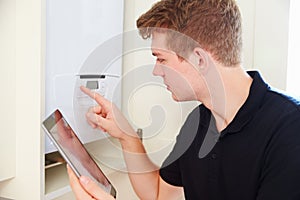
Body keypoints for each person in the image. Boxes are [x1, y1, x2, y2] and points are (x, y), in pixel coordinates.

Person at [67, 0, 300, 199]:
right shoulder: (199, 120)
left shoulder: (290, 132)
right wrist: (127, 137)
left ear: (199, 59)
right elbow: (160, 194)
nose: (156, 72)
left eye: (161, 59)